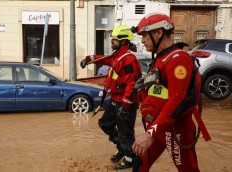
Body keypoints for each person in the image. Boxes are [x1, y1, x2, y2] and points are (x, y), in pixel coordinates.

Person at [131, 13, 208, 172]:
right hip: (158, 126)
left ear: (159, 33)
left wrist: (150, 134)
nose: (142, 40)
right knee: (139, 165)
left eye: (145, 35)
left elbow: (176, 101)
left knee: (188, 170)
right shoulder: (159, 59)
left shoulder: (178, 58)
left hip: (176, 129)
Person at [80, 25, 142, 170]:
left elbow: (131, 83)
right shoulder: (118, 55)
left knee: (125, 132)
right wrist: (88, 59)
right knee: (105, 124)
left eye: (114, 39)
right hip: (115, 100)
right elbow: (105, 59)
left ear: (123, 41)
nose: (111, 42)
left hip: (125, 103)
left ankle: (129, 159)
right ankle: (122, 148)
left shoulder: (128, 59)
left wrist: (126, 106)